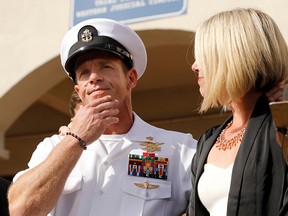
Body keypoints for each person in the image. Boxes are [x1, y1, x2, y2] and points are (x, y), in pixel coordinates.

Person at [8, 18, 197, 216]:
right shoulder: (52, 148)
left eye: (106, 66)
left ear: (131, 78)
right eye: (84, 72)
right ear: (78, 90)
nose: (94, 77)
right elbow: (21, 210)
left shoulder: (180, 149)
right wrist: (75, 140)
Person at [187, 8, 288, 216]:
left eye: (203, 55)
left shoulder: (281, 122)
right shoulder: (208, 140)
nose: (194, 66)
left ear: (235, 55)